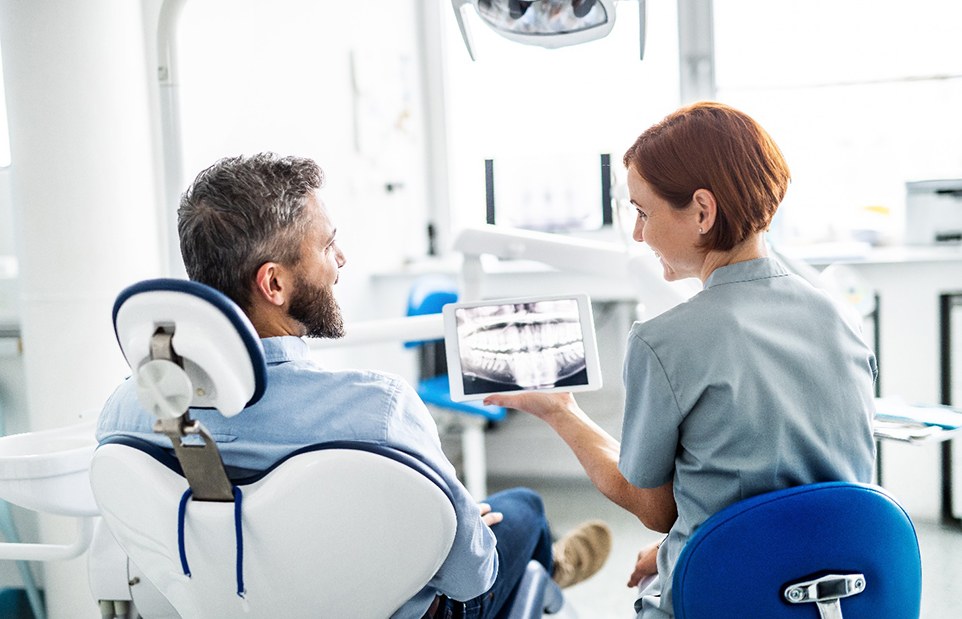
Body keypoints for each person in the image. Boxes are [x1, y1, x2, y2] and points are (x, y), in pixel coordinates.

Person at [96, 153, 612, 619]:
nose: (341, 259)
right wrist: (460, 528)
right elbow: (468, 578)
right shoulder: (378, 410)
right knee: (524, 511)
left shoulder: (126, 412)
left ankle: (549, 572)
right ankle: (550, 571)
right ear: (273, 284)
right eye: (327, 244)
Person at [484, 101, 877, 618]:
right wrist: (683, 549)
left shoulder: (664, 342)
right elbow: (795, 493)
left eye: (643, 212)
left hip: (729, 599)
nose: (637, 234)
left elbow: (653, 506)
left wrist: (561, 410)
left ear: (702, 211)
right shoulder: (841, 318)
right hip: (839, 595)